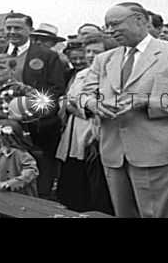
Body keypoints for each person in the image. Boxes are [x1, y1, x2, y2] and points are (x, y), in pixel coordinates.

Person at [80, 2, 168, 218]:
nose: (110, 31)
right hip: (113, 153)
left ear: (140, 20)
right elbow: (80, 95)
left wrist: (146, 101)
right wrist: (93, 104)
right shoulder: (104, 59)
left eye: (115, 24)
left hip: (157, 154)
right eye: (107, 26)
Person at [0, 12, 66, 199]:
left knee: (37, 173)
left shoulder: (48, 56)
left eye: (17, 28)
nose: (12, 32)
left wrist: (31, 112)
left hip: (37, 127)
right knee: (2, 171)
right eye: (8, 28)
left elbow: (56, 88)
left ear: (30, 30)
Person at [56, 33, 117, 214]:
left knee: (97, 189)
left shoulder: (113, 76)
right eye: (88, 51)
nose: (90, 55)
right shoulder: (81, 74)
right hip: (74, 135)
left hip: (96, 136)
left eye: (96, 52)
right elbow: (67, 100)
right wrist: (71, 105)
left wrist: (76, 107)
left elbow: (100, 106)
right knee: (73, 186)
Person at [0, 119, 39, 197]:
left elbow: (32, 171)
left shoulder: (20, 154)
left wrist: (10, 183)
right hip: (2, 193)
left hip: (20, 195)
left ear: (1, 137)